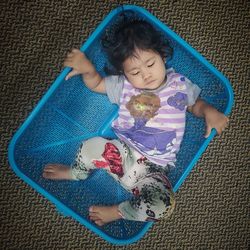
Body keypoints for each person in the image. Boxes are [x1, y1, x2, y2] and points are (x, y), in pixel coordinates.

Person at [42, 19, 229, 226]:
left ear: (163, 56)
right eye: (135, 72)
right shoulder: (124, 86)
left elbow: (195, 105)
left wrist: (209, 111)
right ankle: (76, 172)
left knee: (163, 205)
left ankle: (119, 211)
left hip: (155, 170)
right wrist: (88, 70)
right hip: (122, 153)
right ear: (123, 73)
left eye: (150, 64)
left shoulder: (179, 84)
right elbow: (97, 84)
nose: (146, 74)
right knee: (90, 146)